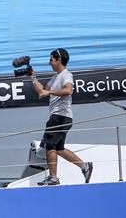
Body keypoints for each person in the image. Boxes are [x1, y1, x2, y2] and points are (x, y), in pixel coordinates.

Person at [31, 48, 93, 186]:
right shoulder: (55, 78)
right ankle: (85, 167)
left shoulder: (66, 75)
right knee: (59, 149)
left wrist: (50, 92)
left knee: (49, 145)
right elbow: (42, 91)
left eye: (51, 60)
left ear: (59, 60)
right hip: (60, 116)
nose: (49, 63)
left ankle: (53, 177)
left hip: (60, 116)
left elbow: (68, 90)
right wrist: (32, 76)